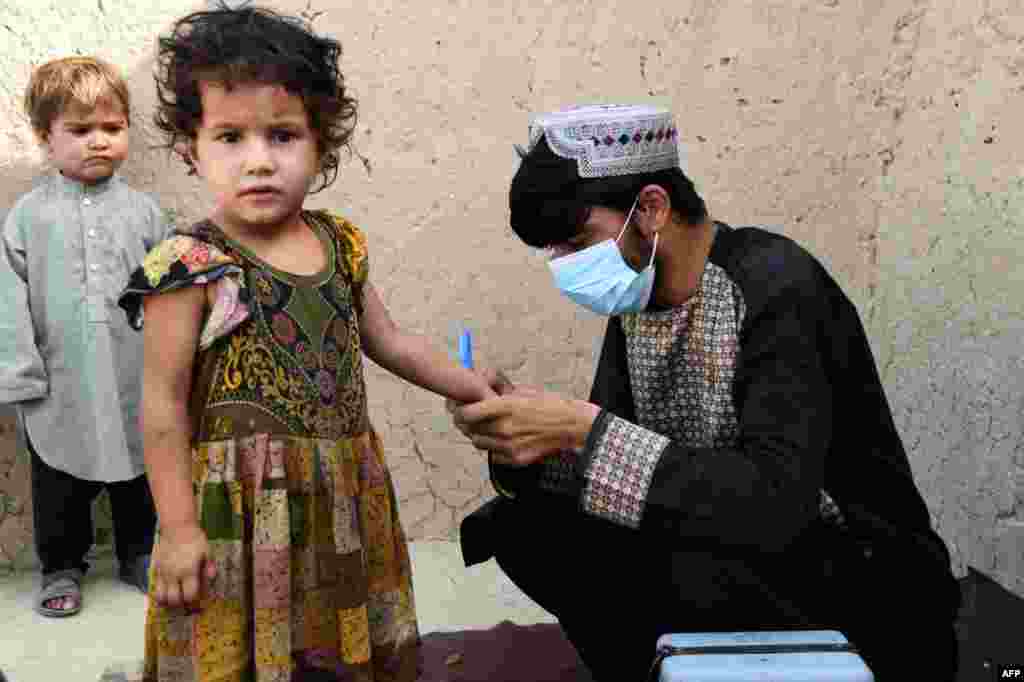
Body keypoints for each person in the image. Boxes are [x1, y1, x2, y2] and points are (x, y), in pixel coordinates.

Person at [451, 104, 961, 681]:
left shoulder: (777, 289)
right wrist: (519, 439)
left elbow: (775, 505)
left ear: (650, 208)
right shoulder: (636, 302)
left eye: (576, 241)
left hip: (855, 572)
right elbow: (617, 473)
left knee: (689, 567)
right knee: (523, 528)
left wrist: (582, 430)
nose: (564, 265)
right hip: (727, 549)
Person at [115, 5, 495, 681]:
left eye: (283, 135)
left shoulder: (340, 244)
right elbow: (162, 406)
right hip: (232, 518)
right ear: (190, 148)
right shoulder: (187, 264)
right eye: (230, 137)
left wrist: (476, 388)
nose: (258, 161)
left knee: (331, 655)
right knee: (235, 654)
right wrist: (176, 529)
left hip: (342, 495)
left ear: (321, 145)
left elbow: (392, 342)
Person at [0, 56, 164, 618]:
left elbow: (169, 289)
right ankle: (61, 566)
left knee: (140, 467)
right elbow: (8, 300)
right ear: (46, 136)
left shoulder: (145, 213)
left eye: (112, 129)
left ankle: (139, 553)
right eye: (80, 129)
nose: (99, 141)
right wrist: (20, 372)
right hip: (58, 379)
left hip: (132, 370)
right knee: (56, 481)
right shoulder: (27, 218)